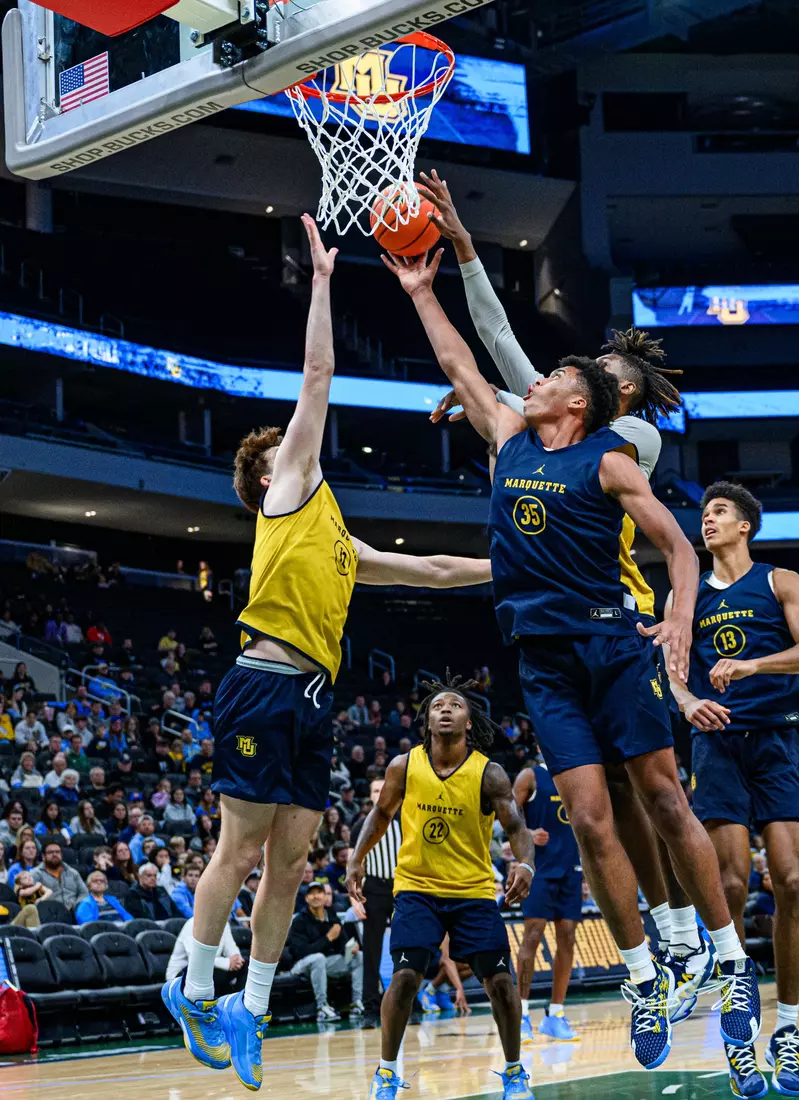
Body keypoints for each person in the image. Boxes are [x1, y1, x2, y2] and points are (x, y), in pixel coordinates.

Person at [386, 245, 759, 1069]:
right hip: (544, 660)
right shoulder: (513, 434)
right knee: (590, 819)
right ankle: (641, 978)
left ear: (583, 403)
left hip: (612, 641)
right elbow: (461, 353)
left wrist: (681, 621)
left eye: (556, 373)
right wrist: (420, 287)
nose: (539, 377)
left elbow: (680, 549)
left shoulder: (617, 455)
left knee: (661, 798)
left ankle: (731, 965)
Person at [162, 216, 493, 1093]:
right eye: (281, 449)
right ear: (265, 478)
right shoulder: (286, 491)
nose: (296, 444)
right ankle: (194, 986)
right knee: (237, 853)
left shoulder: (336, 535)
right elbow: (317, 374)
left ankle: (251, 1009)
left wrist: (515, 568)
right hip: (261, 683)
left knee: (295, 861)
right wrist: (320, 281)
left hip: (312, 700)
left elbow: (429, 566)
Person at [665, 482, 799, 1098]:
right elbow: (671, 668)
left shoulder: (780, 580)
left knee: (788, 880)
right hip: (718, 744)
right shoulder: (687, 593)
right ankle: (739, 1044)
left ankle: (785, 1030)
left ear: (745, 528)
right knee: (730, 882)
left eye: (720, 513)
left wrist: (752, 665)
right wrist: (685, 703)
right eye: (703, 513)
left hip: (778, 740)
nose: (707, 521)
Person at [347, 677, 536, 1100]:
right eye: (437, 706)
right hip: (416, 889)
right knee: (404, 979)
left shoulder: (489, 773)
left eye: (456, 705)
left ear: (469, 721)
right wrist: (356, 858)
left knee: (502, 984)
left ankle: (514, 1072)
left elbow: (517, 827)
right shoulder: (403, 766)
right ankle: (386, 1073)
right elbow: (379, 816)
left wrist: (525, 863)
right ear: (427, 720)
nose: (446, 709)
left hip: (472, 891)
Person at [512, 759, 581, 1042]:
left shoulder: (576, 774)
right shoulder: (531, 776)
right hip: (539, 870)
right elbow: (506, 813)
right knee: (532, 936)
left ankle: (555, 1015)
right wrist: (527, 834)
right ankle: (522, 1014)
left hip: (570, 868)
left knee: (567, 938)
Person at [351, 774, 401, 1017]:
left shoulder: (405, 820)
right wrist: (354, 897)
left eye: (383, 789)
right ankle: (370, 1005)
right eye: (374, 790)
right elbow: (352, 864)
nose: (379, 793)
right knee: (371, 950)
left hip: (402, 888)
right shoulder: (360, 826)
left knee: (407, 947)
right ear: (369, 796)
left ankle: (406, 1001)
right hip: (374, 890)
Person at [288, 880, 364, 1020]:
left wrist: (351, 948)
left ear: (325, 897)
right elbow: (301, 952)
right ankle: (322, 1007)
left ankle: (356, 1003)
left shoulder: (332, 915)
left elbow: (342, 944)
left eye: (319, 893)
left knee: (359, 956)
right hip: (301, 965)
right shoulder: (300, 920)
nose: (315, 896)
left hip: (326, 964)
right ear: (306, 899)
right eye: (311, 894)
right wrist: (328, 938)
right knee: (318, 958)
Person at [166, 916, 245, 991]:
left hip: (209, 967)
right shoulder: (193, 923)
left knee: (245, 964)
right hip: (180, 975)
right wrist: (227, 963)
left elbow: (232, 949)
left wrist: (238, 961)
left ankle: (238, 1000)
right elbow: (196, 959)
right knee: (208, 970)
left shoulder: (224, 924)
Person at [31, 840, 88, 910]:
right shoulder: (35, 874)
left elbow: (84, 892)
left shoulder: (73, 872)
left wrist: (76, 905)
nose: (54, 854)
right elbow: (31, 899)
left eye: (57, 852)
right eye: (50, 852)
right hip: (48, 914)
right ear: (43, 856)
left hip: (74, 912)